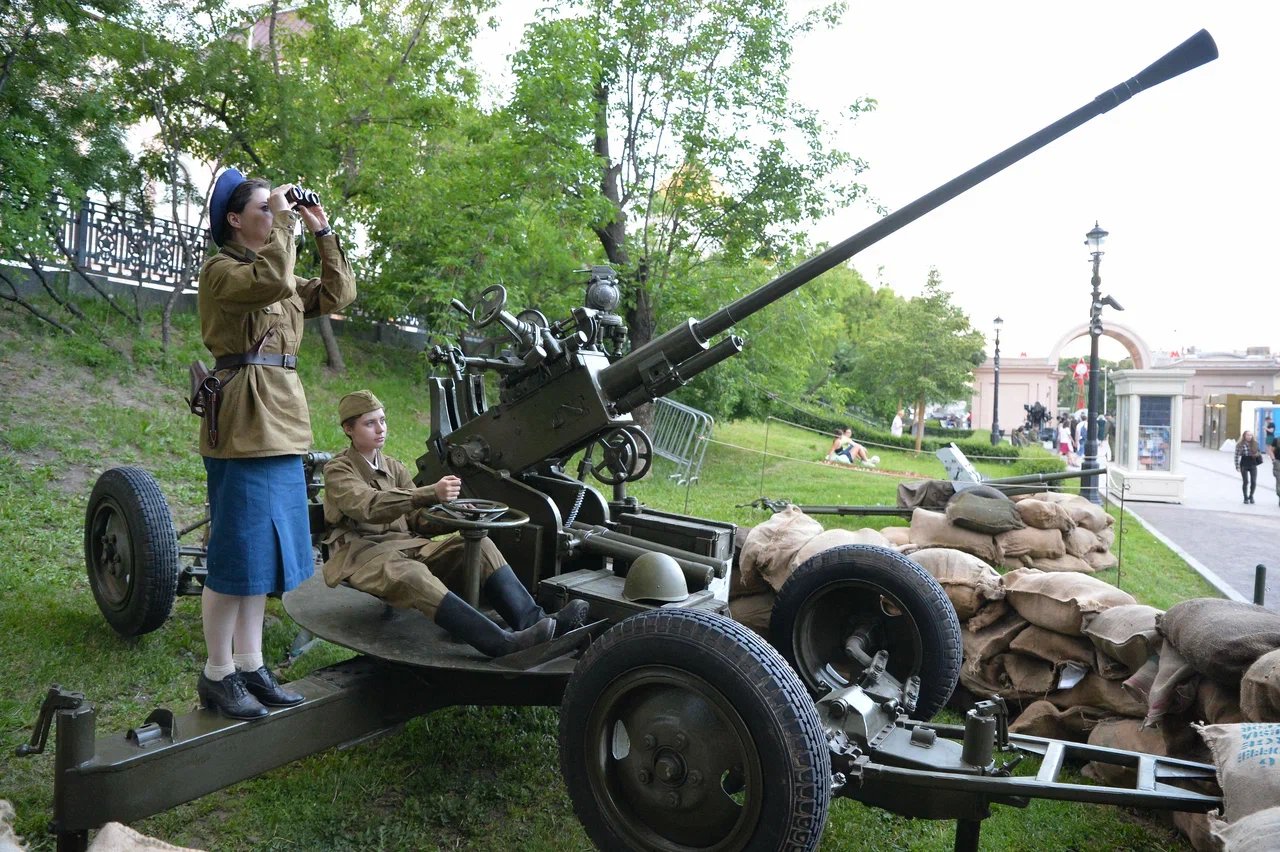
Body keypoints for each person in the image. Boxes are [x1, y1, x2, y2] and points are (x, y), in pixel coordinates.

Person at [196, 168, 356, 720]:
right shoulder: (222, 270)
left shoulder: (279, 268)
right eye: (264, 208)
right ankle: (218, 672)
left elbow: (339, 294)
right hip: (244, 423)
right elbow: (269, 282)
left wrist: (320, 229)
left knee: (261, 559)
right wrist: (285, 223)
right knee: (234, 555)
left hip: (284, 421)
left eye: (275, 208)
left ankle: (251, 664)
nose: (274, 214)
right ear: (235, 220)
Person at [322, 391, 590, 657]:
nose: (380, 429)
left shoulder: (394, 467)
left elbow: (416, 519)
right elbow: (368, 506)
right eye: (370, 423)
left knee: (481, 545)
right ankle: (501, 643)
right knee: (414, 576)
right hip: (361, 554)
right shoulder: (338, 470)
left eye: (383, 420)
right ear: (348, 429)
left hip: (407, 545)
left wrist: (456, 515)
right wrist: (428, 494)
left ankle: (537, 623)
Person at [1235, 430, 1263, 504]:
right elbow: (1236, 456)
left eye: (1250, 435)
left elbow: (1259, 452)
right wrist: (1237, 466)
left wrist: (1257, 454)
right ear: (1244, 436)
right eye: (1248, 435)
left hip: (1253, 463)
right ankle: (1245, 497)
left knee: (1253, 481)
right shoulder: (1240, 444)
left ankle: (1251, 496)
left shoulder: (1255, 443)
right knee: (1245, 481)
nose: (1249, 437)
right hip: (1244, 463)